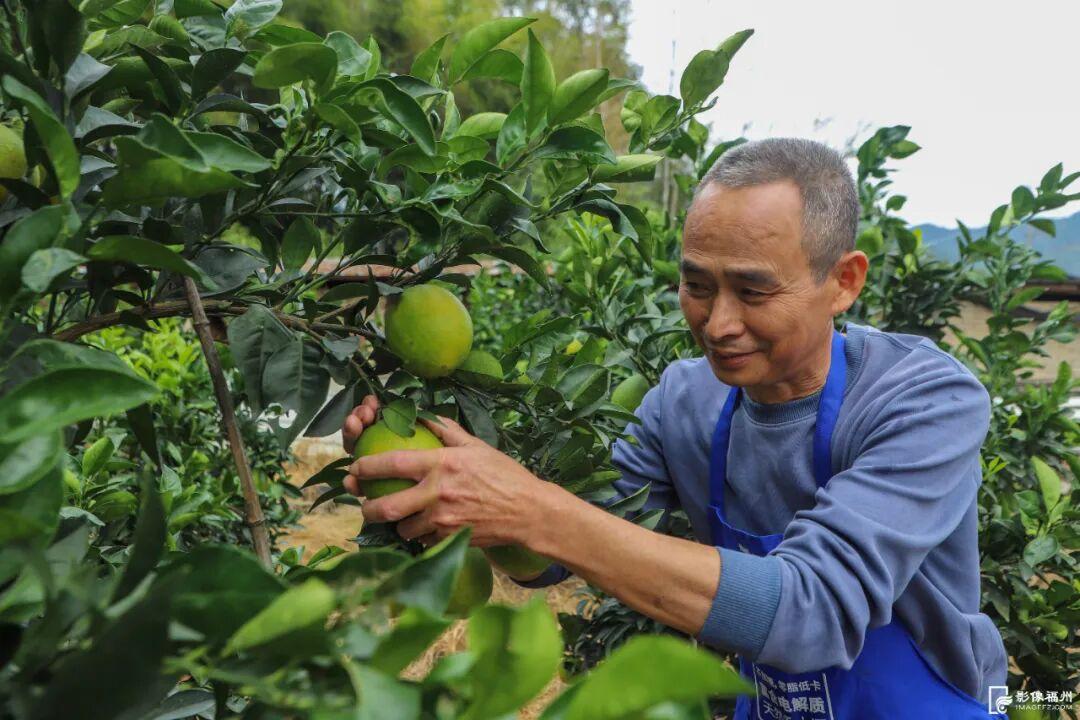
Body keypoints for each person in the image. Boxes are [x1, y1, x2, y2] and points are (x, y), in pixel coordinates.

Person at [341, 138, 1008, 719]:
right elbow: (551, 551)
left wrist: (530, 506)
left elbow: (812, 611)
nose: (717, 324)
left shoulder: (925, 400)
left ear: (843, 282)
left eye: (752, 292)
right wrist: (447, 474)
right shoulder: (684, 401)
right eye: (696, 286)